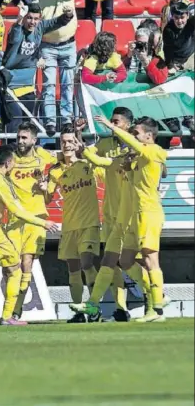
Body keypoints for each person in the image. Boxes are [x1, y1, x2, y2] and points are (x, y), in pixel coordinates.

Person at [72, 115, 168, 323]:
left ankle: (158, 307)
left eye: (136, 133)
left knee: (151, 259)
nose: (132, 137)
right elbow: (100, 159)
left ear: (149, 136)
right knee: (123, 260)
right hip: (128, 217)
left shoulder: (154, 150)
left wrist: (109, 126)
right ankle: (94, 304)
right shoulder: (132, 159)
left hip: (147, 213)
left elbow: (144, 150)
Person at [0, 144, 58, 325]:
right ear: (9, 163)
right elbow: (17, 211)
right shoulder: (0, 181)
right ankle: (8, 316)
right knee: (15, 269)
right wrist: (43, 222)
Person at [43, 125, 104, 323]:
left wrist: (81, 137)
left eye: (70, 141)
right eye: (64, 142)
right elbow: (47, 198)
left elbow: (105, 164)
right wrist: (43, 188)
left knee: (87, 263)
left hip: (89, 223)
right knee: (73, 269)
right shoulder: (56, 171)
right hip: (68, 225)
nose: (67, 145)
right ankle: (79, 312)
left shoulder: (89, 163)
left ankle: (94, 307)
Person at [2, 1, 75, 132]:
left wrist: (68, 15)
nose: (32, 22)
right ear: (24, 18)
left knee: (27, 125)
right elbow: (15, 39)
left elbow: (56, 22)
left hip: (28, 86)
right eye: (29, 18)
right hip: (10, 85)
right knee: (14, 122)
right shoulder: (16, 29)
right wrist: (19, 19)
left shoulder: (40, 27)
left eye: (36, 19)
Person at [37, 0, 82, 136]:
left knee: (67, 84)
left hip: (68, 45)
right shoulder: (38, 0)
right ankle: (50, 121)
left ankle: (66, 120)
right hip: (47, 46)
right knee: (49, 84)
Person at [163, 2, 195, 73]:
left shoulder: (192, 22)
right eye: (176, 18)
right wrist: (170, 65)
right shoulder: (168, 30)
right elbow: (167, 50)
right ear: (172, 17)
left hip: (192, 55)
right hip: (177, 59)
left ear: (188, 16)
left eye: (182, 17)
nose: (179, 21)